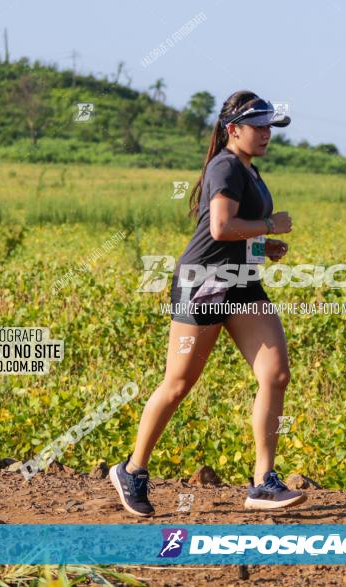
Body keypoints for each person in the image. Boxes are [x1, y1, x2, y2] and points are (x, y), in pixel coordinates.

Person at [109, 90, 306, 516]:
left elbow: (236, 233)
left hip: (241, 283)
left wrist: (262, 244)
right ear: (233, 130)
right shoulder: (225, 166)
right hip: (203, 283)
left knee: (276, 374)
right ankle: (133, 470)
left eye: (269, 126)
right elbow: (219, 228)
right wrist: (270, 223)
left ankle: (263, 483)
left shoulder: (250, 172)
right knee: (178, 384)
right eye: (258, 126)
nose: (266, 133)